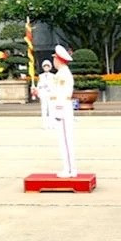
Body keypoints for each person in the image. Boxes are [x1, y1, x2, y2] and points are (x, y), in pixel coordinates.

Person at [49, 46, 76, 177]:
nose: (53, 61)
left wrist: (58, 110)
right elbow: (53, 93)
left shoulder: (63, 74)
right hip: (60, 108)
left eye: (54, 58)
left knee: (66, 140)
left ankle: (70, 169)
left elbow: (62, 93)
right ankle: (68, 168)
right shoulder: (60, 74)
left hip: (62, 109)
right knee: (63, 140)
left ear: (58, 60)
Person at [36, 60, 56, 129]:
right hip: (44, 94)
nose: (46, 67)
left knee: (51, 109)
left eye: (47, 66)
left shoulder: (53, 76)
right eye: (45, 66)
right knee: (44, 110)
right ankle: (45, 125)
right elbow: (39, 86)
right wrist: (39, 93)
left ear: (50, 67)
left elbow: (55, 85)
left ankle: (52, 124)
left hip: (50, 94)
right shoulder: (41, 76)